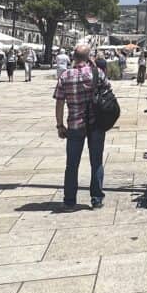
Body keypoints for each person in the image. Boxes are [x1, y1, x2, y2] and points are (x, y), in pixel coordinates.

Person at [54, 44, 104, 210]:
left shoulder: (65, 76)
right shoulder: (96, 73)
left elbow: (59, 102)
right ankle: (96, 198)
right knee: (96, 161)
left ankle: (69, 200)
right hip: (96, 124)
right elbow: (108, 92)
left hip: (75, 124)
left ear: (73, 57)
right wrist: (94, 67)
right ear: (89, 57)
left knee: (72, 164)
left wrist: (60, 125)